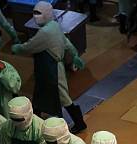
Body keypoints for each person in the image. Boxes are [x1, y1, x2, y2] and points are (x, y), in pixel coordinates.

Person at [11, 2, 87, 133]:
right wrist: (74, 54)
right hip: (49, 68)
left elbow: (30, 46)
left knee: (62, 97)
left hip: (52, 70)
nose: (35, 16)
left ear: (46, 14)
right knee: (41, 94)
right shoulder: (54, 26)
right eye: (34, 13)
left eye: (38, 13)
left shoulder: (45, 32)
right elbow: (66, 42)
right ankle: (36, 120)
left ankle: (79, 123)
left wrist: (17, 48)